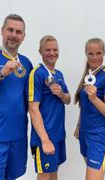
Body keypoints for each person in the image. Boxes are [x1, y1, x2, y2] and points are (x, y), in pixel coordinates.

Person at [0, 14, 33, 180]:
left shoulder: (26, 63)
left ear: (23, 37)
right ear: (2, 31)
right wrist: (1, 73)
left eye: (18, 32)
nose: (13, 35)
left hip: (18, 137)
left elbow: (31, 100)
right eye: (10, 30)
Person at [74, 38, 105, 180]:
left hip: (100, 137)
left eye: (98, 53)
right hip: (85, 134)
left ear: (103, 53)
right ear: (86, 54)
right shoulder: (88, 76)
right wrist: (79, 125)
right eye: (90, 54)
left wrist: (94, 98)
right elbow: (84, 105)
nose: (94, 57)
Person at [28, 35, 71, 180]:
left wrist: (61, 95)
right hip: (44, 136)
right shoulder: (37, 73)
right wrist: (45, 140)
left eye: (55, 49)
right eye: (48, 50)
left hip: (58, 134)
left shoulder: (58, 74)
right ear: (40, 51)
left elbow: (68, 99)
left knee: (54, 172)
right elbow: (33, 109)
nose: (52, 53)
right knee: (45, 175)